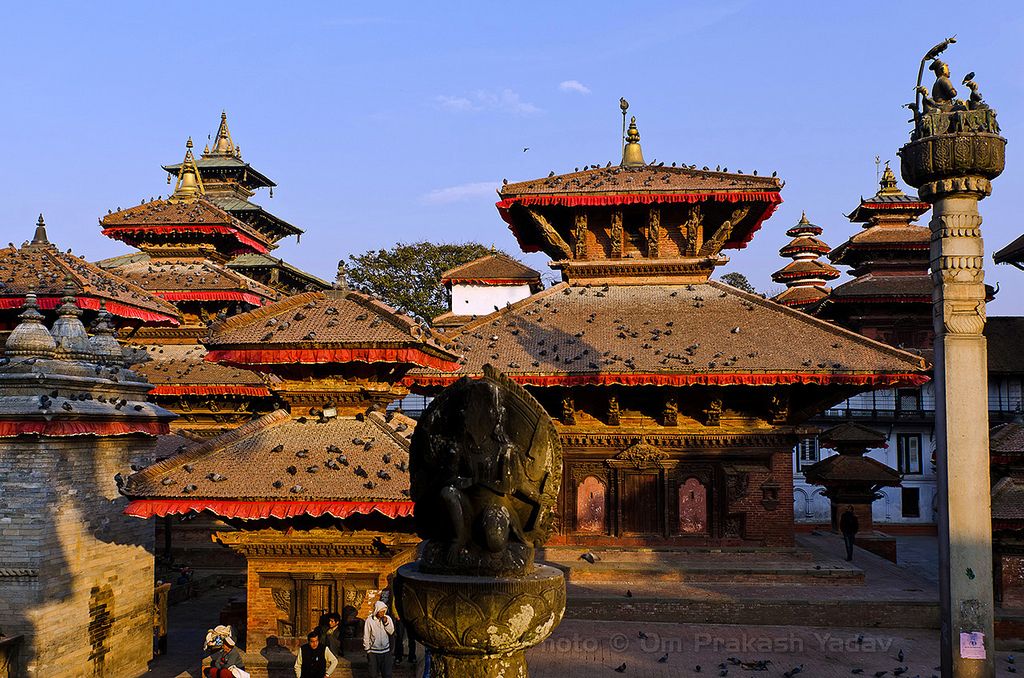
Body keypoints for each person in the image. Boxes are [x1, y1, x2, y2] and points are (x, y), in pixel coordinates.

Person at [363, 600, 395, 678]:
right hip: (373, 652)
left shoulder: (388, 618)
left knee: (387, 674)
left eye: (384, 611)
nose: (382, 613)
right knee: (373, 675)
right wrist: (367, 650)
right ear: (377, 611)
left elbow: (391, 632)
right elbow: (366, 635)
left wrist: (386, 623)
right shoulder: (369, 620)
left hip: (386, 651)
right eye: (381, 612)